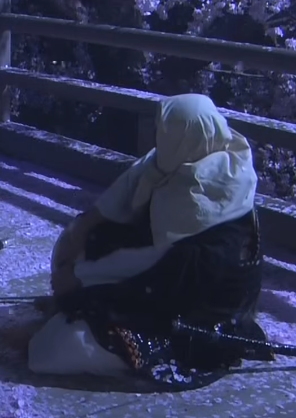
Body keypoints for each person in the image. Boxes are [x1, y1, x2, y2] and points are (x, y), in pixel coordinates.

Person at [27, 93, 272, 388]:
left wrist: (79, 295)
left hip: (189, 314)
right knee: (79, 246)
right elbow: (117, 204)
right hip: (156, 282)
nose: (158, 138)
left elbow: (159, 287)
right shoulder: (186, 155)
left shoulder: (207, 205)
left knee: (57, 347)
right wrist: (79, 243)